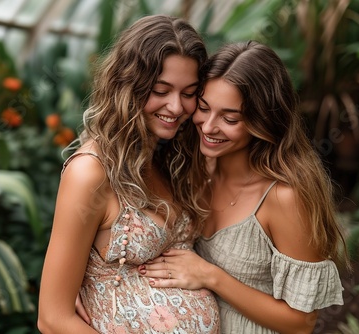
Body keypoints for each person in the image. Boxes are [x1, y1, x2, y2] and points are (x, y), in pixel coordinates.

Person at [139, 41, 350, 334]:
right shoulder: (193, 168)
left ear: (263, 120)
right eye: (203, 108)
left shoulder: (284, 197)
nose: (209, 126)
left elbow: (301, 322)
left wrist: (211, 277)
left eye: (230, 118)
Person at [37, 14, 220, 333]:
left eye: (189, 93)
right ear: (128, 85)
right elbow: (53, 319)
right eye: (160, 90)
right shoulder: (91, 173)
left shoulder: (170, 156)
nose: (176, 108)